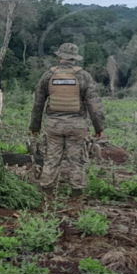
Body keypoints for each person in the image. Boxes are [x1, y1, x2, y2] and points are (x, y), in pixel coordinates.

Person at [29, 43, 105, 197]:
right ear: (74, 58)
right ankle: (77, 195)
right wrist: (99, 128)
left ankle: (47, 193)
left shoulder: (48, 76)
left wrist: (34, 126)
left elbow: (38, 103)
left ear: (60, 56)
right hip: (76, 126)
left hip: (53, 125)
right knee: (77, 160)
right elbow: (94, 105)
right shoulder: (83, 76)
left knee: (51, 159)